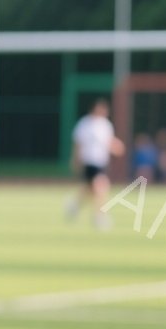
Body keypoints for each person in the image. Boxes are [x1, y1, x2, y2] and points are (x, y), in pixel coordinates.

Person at [65, 98, 125, 230]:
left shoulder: (106, 125)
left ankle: (74, 205)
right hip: (89, 161)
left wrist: (116, 146)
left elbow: (108, 142)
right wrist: (75, 159)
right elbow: (78, 143)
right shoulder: (85, 124)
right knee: (101, 187)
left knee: (90, 190)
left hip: (101, 162)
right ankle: (99, 216)